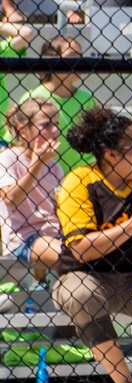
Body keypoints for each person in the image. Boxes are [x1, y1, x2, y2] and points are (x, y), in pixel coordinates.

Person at [51, 107, 132, 383]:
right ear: (111, 155)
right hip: (86, 274)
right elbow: (81, 250)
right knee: (81, 294)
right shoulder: (80, 180)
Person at [0, 96, 65, 281]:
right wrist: (37, 164)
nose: (55, 131)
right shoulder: (8, 158)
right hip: (25, 237)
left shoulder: (54, 166)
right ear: (24, 131)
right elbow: (11, 199)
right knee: (71, 257)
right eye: (46, 125)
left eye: (57, 124)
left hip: (56, 235)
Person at [23, 37, 94, 173]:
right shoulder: (33, 97)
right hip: (44, 175)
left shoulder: (87, 99)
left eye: (80, 57)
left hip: (82, 177)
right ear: (52, 59)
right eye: (71, 57)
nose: (78, 63)